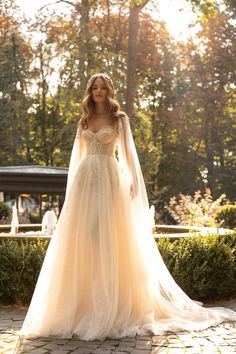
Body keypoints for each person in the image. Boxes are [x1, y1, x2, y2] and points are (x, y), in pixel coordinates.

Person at [20, 73, 236, 341]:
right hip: (85, 182)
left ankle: (112, 303)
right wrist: (72, 187)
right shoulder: (84, 120)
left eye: (103, 87)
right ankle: (86, 302)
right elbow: (77, 156)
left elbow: (128, 152)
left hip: (110, 179)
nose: (99, 91)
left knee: (109, 237)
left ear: (109, 90)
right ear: (90, 91)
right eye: (94, 87)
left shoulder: (119, 119)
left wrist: (132, 179)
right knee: (85, 237)